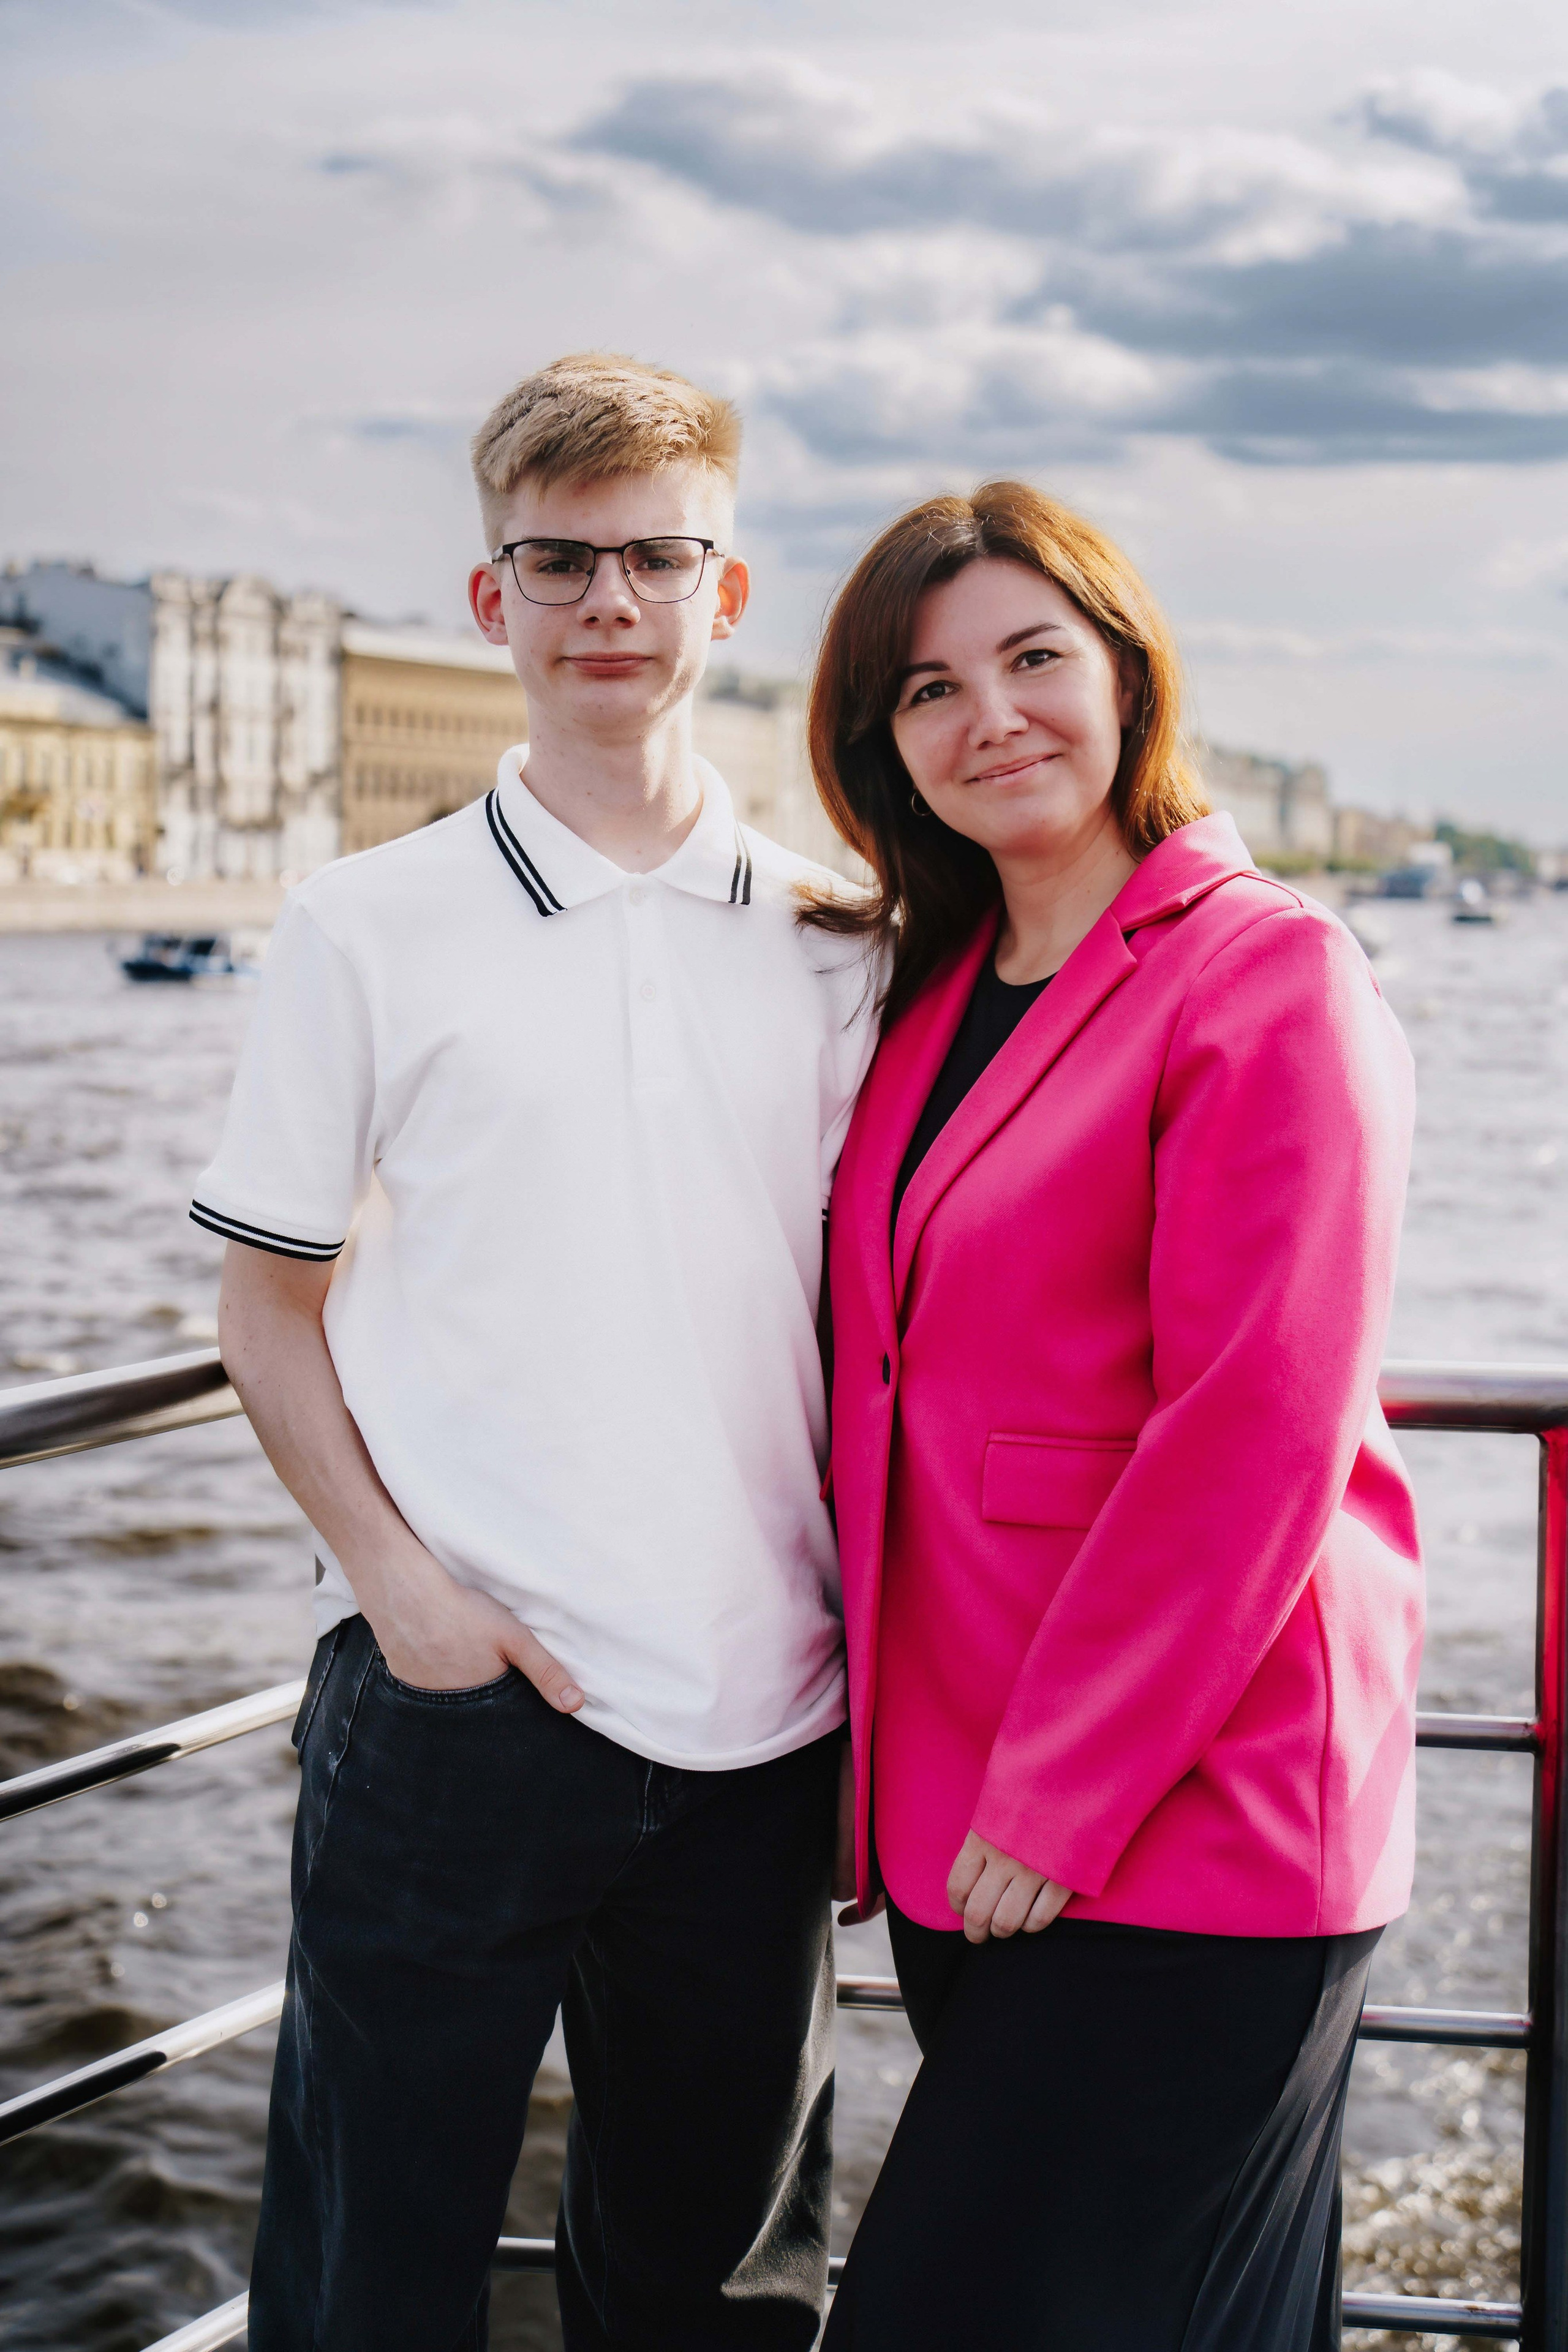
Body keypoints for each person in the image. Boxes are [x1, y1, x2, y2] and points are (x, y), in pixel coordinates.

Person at [193, 353, 879, 2352]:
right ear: (490, 600)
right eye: (559, 564)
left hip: (764, 1719)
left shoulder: (838, 941)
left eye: (657, 560)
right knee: (368, 2280)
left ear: (725, 594)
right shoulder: (363, 925)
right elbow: (266, 1306)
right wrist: (407, 1595)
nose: (609, 606)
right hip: (459, 1714)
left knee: (719, 2295)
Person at [805, 481, 1422, 2351]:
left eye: (1033, 659)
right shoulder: (924, 997)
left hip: (1190, 1816)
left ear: (1132, 679)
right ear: (882, 746)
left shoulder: (1269, 974)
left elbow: (1257, 1423)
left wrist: (1063, 1792)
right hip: (972, 1813)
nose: (988, 716)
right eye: (927, 689)